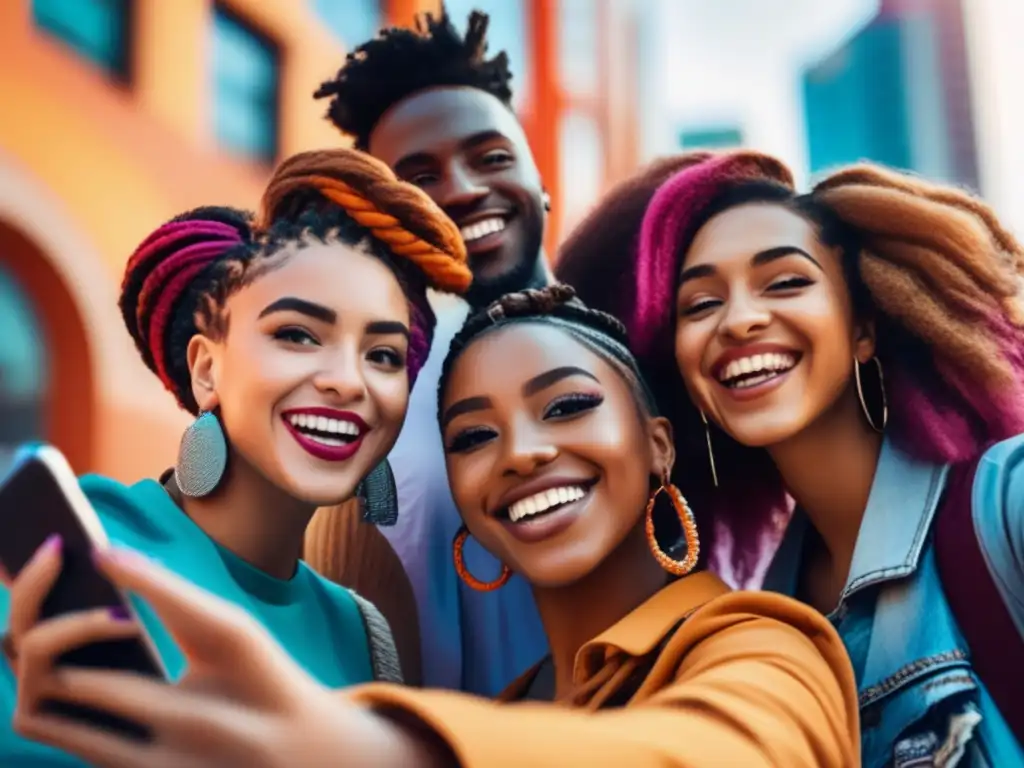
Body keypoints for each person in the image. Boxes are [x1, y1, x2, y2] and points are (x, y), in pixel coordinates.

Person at [5, 285, 860, 768]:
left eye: (566, 406)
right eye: (474, 436)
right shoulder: (504, 701)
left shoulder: (762, 642)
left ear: (658, 447)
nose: (522, 454)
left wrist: (369, 752)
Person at [0, 147, 470, 764]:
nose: (349, 381)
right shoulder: (76, 543)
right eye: (298, 335)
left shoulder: (365, 637)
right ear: (205, 370)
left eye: (382, 355)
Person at [625, 150, 1024, 764]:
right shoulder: (763, 620)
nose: (739, 321)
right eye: (700, 304)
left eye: (785, 282)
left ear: (864, 326)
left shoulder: (1008, 501)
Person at [313, 8, 551, 694]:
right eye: (419, 178)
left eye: (492, 157)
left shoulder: (654, 344)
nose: (463, 189)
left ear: (541, 185)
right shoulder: (361, 407)